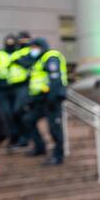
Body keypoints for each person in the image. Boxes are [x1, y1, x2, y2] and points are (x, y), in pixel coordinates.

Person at [18, 38, 67, 166]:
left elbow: (55, 80)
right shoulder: (38, 60)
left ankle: (58, 156)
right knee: (28, 119)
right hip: (40, 100)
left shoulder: (51, 57)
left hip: (52, 99)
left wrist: (52, 98)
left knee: (54, 128)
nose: (32, 50)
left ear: (41, 46)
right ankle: (40, 147)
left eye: (35, 47)